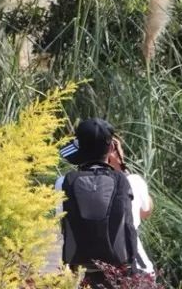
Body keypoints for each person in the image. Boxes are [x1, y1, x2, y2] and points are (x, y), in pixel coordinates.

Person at [55, 118, 155, 286]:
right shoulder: (132, 182)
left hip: (86, 277)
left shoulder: (62, 183)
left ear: (79, 148)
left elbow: (62, 218)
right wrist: (121, 167)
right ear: (111, 148)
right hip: (133, 276)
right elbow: (146, 211)